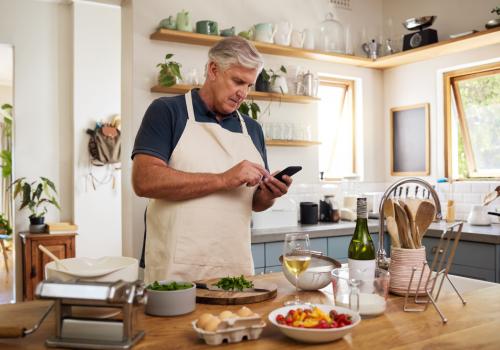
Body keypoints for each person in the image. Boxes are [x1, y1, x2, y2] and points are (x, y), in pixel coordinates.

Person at [132, 36, 293, 282]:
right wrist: (225, 179)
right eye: (238, 81)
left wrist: (269, 195)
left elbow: (254, 203)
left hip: (235, 269)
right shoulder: (167, 111)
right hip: (175, 272)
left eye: (249, 85)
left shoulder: (252, 129)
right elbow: (144, 180)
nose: (243, 93)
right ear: (213, 69)